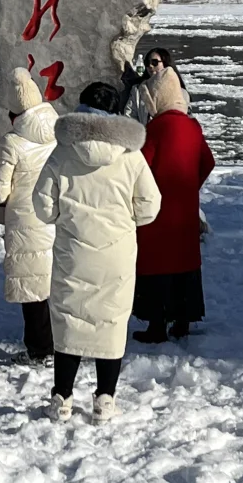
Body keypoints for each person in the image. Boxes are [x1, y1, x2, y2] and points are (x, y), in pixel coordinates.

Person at [32, 81, 161, 423]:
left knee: (69, 321)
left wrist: (67, 217)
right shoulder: (130, 156)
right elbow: (150, 206)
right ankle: (105, 399)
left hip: (73, 251)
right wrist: (124, 219)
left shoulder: (62, 152)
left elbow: (43, 206)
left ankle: (61, 398)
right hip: (116, 253)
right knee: (111, 322)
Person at [131, 67, 216, 343]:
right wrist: (190, 185)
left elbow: (140, 166)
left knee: (157, 266)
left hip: (157, 213)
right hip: (185, 209)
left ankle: (157, 325)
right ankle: (182, 321)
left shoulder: (156, 128)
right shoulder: (192, 126)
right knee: (185, 265)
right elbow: (208, 162)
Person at [0, 68, 58, 365]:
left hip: (26, 219)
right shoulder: (59, 132)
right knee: (55, 281)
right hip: (56, 214)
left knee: (32, 284)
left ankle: (40, 349)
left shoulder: (13, 142)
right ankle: (61, 343)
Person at [122, 47, 190, 122]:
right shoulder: (137, 90)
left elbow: (186, 119)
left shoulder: (181, 92)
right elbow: (130, 116)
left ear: (165, 63)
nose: (150, 66)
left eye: (155, 62)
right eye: (147, 63)